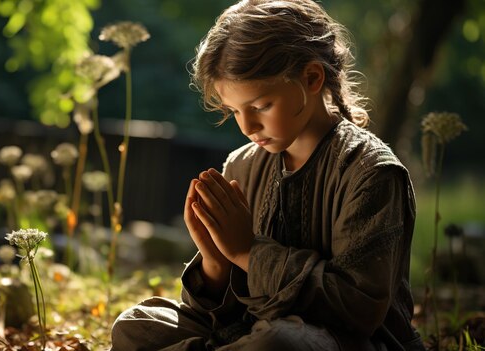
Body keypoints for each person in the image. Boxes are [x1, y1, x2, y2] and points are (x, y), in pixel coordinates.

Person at [111, 0, 425, 349]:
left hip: (342, 342)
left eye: (261, 106)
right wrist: (216, 262)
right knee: (135, 325)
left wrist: (247, 251)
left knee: (277, 342)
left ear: (311, 78)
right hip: (251, 332)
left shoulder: (371, 173)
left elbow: (358, 311)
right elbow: (213, 312)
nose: (247, 126)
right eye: (234, 111)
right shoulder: (241, 165)